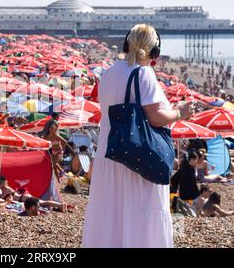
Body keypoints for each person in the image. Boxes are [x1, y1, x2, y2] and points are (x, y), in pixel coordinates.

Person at [82, 24, 195, 248]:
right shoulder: (143, 74)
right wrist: (179, 114)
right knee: (139, 213)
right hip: (137, 159)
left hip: (110, 153)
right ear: (155, 52)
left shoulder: (110, 72)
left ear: (127, 43)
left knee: (111, 213)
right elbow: (155, 117)